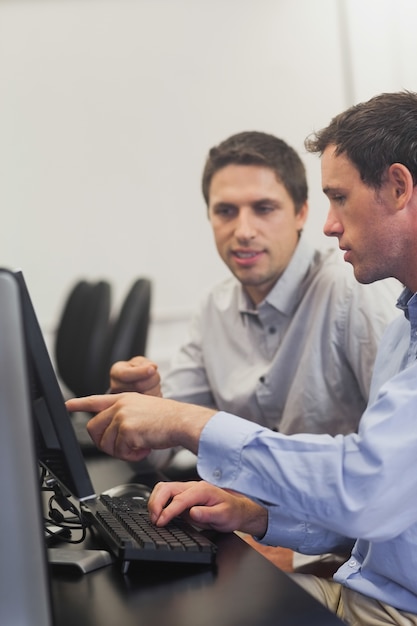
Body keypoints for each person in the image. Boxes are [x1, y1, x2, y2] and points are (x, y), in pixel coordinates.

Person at [67, 90, 417, 625]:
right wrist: (254, 512)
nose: (243, 229)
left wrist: (190, 423)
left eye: (337, 198)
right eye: (225, 212)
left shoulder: (360, 303)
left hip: (353, 575)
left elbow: (368, 491)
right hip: (355, 576)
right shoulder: (403, 328)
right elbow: (383, 505)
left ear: (398, 187)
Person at [110, 131, 398, 450]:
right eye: (226, 211)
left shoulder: (351, 291)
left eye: (264, 208)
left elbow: (397, 455)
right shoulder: (213, 308)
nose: (244, 231)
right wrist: (144, 406)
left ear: (300, 213)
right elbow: (159, 447)